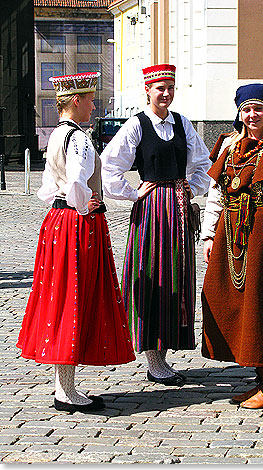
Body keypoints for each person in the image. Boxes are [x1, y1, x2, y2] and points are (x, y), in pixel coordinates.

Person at [16, 72, 135, 413]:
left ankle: (64, 387)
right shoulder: (80, 140)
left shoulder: (56, 136)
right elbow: (77, 185)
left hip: (57, 222)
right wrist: (86, 203)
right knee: (74, 300)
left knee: (60, 297)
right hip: (78, 225)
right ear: (76, 101)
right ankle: (66, 392)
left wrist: (71, 201)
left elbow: (46, 187)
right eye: (91, 99)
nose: (94, 105)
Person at [101, 64, 211, 386]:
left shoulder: (182, 123)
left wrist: (192, 186)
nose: (166, 94)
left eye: (170, 88)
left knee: (176, 278)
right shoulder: (138, 125)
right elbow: (110, 164)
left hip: (177, 212)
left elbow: (204, 163)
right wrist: (132, 192)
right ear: (147, 90)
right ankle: (154, 359)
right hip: (150, 212)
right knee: (150, 276)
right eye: (160, 88)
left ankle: (162, 357)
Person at [201, 83, 263, 408]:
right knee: (237, 304)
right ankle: (261, 379)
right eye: (247, 109)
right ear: (239, 112)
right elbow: (216, 195)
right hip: (231, 237)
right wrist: (208, 234)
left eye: (258, 108)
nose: (252, 114)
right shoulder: (229, 147)